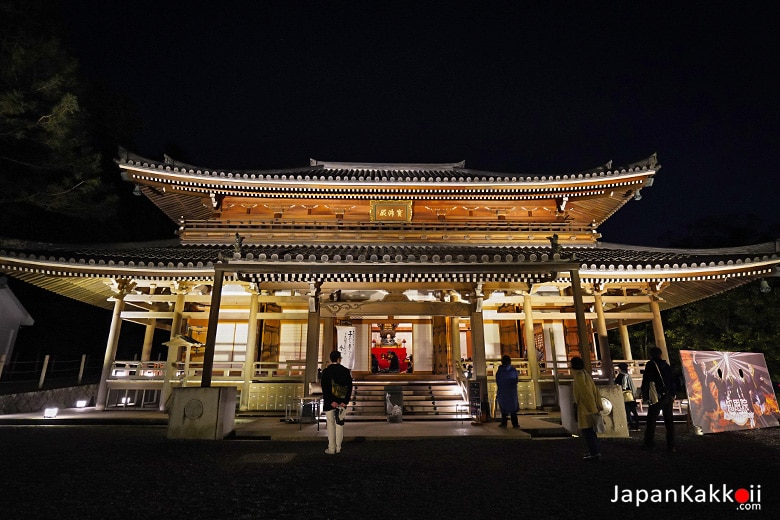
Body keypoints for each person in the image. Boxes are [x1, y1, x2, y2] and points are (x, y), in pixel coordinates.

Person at [640, 346, 676, 452]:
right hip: (669, 395)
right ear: (660, 355)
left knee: (651, 419)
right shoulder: (666, 365)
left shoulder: (651, 364)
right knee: (669, 420)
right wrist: (673, 394)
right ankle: (671, 445)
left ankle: (649, 443)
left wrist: (644, 393)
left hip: (658, 395)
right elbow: (673, 380)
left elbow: (647, 380)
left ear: (650, 355)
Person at [321, 350, 353, 454]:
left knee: (330, 424)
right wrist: (345, 401)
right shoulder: (345, 371)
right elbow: (349, 387)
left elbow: (325, 388)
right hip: (341, 402)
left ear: (331, 359)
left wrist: (331, 401)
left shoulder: (326, 371)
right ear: (339, 359)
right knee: (340, 424)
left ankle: (331, 448)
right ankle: (339, 447)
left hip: (330, 402)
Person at [571, 356, 602, 460]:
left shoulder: (579, 376)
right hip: (591, 406)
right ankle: (595, 451)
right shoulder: (585, 374)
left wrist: (591, 408)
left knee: (587, 431)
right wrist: (597, 405)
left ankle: (594, 452)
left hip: (585, 408)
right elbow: (594, 391)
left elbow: (586, 393)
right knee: (591, 431)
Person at [495, 355, 520, 428]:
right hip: (512, 392)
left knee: (504, 408)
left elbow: (498, 381)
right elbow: (516, 380)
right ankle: (515, 423)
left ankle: (504, 423)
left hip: (503, 391)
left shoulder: (500, 371)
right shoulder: (513, 370)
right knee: (513, 409)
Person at [615, 362, 640, 431]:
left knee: (627, 411)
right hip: (630, 395)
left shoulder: (621, 375)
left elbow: (622, 386)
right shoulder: (628, 375)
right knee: (634, 411)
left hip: (625, 395)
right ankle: (637, 426)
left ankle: (632, 425)